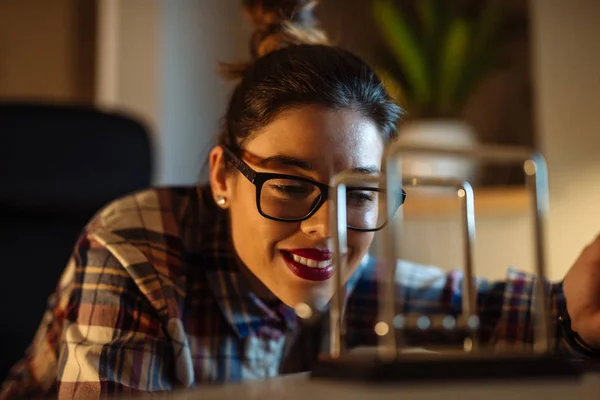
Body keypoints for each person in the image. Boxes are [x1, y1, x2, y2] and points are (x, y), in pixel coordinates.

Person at [2, 0, 599, 398]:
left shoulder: (347, 277)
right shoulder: (136, 248)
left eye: (359, 193)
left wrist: (572, 309)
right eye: (289, 184)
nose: (327, 228)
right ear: (222, 178)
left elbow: (483, 308)